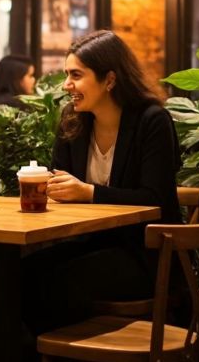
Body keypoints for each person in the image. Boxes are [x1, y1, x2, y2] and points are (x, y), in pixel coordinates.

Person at [22, 30, 180, 334]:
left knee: (61, 281)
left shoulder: (151, 120)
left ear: (109, 80)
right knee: (23, 271)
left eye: (76, 75)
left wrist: (89, 192)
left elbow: (155, 198)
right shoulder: (73, 121)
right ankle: (36, 359)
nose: (66, 85)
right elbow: (61, 183)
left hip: (144, 254)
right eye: (67, 75)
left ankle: (70, 360)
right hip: (92, 244)